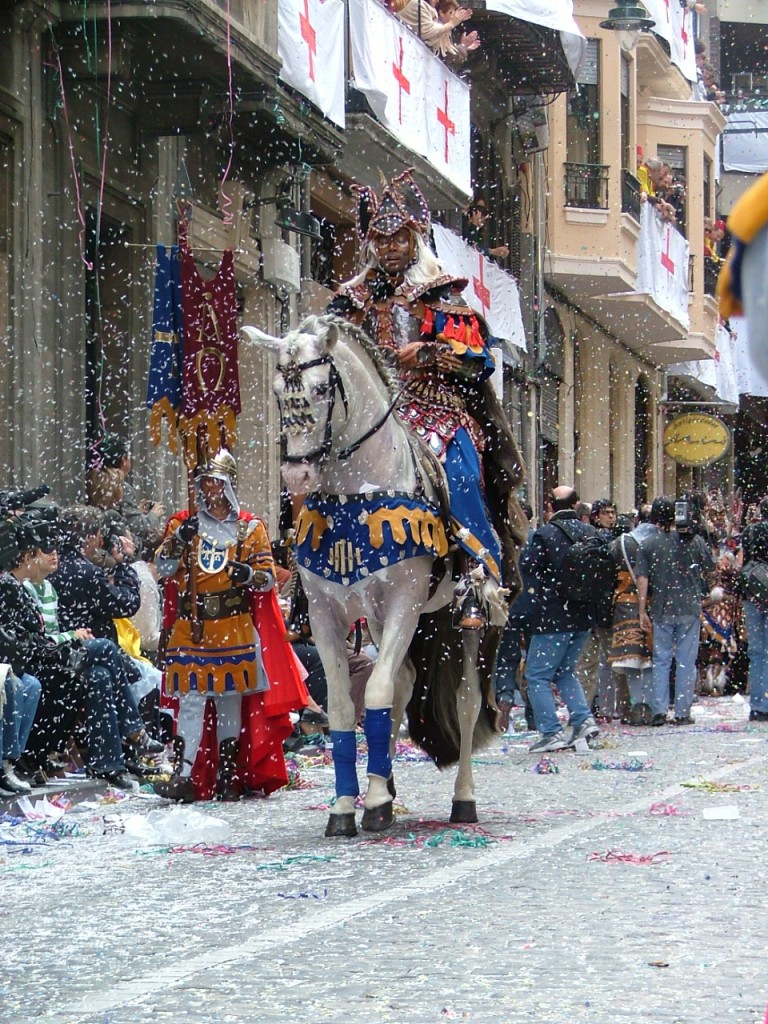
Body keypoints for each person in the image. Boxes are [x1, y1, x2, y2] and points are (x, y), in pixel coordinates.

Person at [327, 169, 526, 627]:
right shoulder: (349, 299)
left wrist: (432, 353)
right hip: (370, 412)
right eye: (382, 239)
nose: (391, 247)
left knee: (457, 468)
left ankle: (475, 575)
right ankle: (312, 577)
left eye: (399, 238)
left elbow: (479, 359)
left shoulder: (441, 297)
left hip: (433, 407)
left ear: (415, 241)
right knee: (311, 468)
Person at [154, 449, 309, 802]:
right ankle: (184, 774)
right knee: (191, 701)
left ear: (227, 484)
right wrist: (178, 540)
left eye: (216, 481)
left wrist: (249, 575)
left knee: (228, 702)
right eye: (205, 481)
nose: (209, 488)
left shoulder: (249, 528)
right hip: (191, 625)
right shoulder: (183, 524)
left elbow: (269, 578)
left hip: (233, 624)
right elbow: (162, 569)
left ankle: (227, 776)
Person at [519, 485, 600, 753]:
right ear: (577, 505)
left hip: (553, 616)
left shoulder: (545, 535)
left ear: (549, 506)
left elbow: (529, 567)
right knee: (565, 671)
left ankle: (551, 732)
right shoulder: (591, 533)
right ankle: (582, 720)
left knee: (537, 676)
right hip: (584, 616)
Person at [636, 496, 715, 726]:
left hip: (661, 607)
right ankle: (682, 711)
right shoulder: (694, 541)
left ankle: (659, 710)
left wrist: (642, 611)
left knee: (661, 660)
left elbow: (643, 579)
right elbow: (710, 567)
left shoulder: (649, 544)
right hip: (689, 608)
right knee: (685, 662)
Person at [607, 504, 655, 724]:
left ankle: (636, 705)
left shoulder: (621, 543)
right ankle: (652, 705)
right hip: (655, 605)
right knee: (653, 661)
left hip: (625, 604)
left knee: (631, 661)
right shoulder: (662, 542)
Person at [87, 433, 165, 546]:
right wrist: (153, 515)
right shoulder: (121, 486)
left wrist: (136, 511)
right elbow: (137, 528)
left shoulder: (93, 480)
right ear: (124, 459)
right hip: (118, 548)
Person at [740, 495, 768, 721]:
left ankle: (758, 704)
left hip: (753, 595)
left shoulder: (750, 531)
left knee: (757, 652)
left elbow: (744, 563)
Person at [395, 0, 478, 65]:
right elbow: (428, 32)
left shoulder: (439, 23)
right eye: (451, 13)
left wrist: (464, 47)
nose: (454, 16)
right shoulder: (418, 5)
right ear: (441, 12)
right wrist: (452, 24)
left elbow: (446, 52)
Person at [462, 198, 509, 262]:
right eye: (478, 209)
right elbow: (469, 244)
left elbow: (478, 247)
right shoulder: (461, 227)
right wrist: (474, 224)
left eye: (484, 211)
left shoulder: (479, 234)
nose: (481, 214)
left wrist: (492, 251)